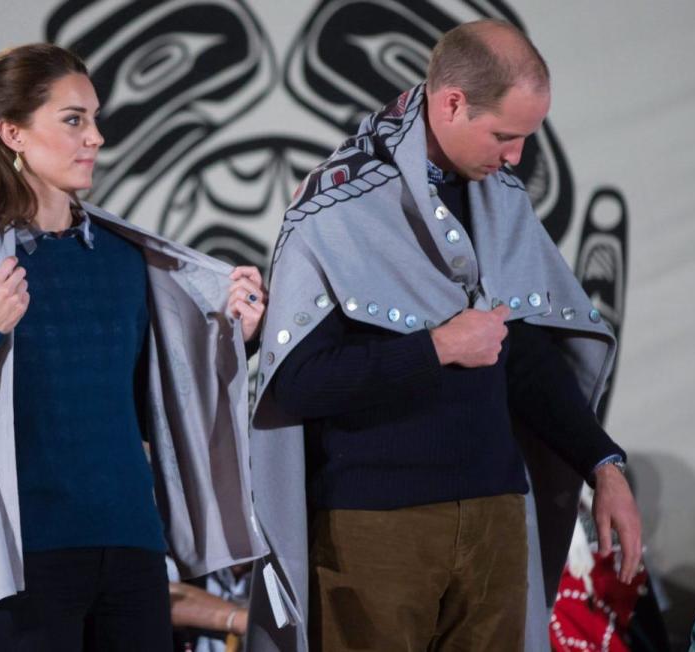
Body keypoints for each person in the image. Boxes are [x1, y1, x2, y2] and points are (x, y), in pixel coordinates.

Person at [245, 20, 642, 651]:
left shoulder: (499, 199)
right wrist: (435, 349)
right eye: (505, 136)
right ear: (451, 102)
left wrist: (603, 463)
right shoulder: (335, 206)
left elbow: (525, 358)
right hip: (374, 525)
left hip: (496, 517)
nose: (516, 157)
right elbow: (296, 381)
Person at [0, 43, 269, 651]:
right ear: (12, 132)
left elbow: (150, 410)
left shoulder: (124, 260)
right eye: (73, 120)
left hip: (134, 552)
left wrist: (234, 343)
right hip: (25, 560)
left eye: (93, 119)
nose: (96, 138)